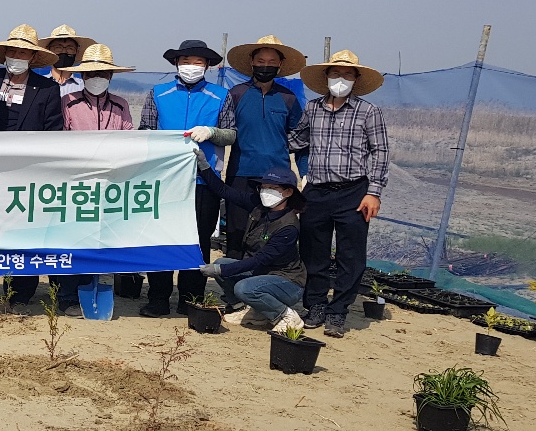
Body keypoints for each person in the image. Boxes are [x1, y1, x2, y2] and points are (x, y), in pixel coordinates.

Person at [289, 50, 389, 338]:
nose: (341, 79)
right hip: (317, 191)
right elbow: (297, 140)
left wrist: (374, 193)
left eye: (347, 74)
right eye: (335, 74)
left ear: (356, 79)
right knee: (313, 251)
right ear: (326, 77)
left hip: (353, 192)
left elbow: (380, 152)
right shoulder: (313, 108)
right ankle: (316, 304)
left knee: (351, 255)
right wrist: (267, 136)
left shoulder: (368, 112)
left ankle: (339, 310)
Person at [0, 25, 62, 314]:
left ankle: (19, 295)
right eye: (13, 51)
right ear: (5, 53)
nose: (18, 56)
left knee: (25, 233)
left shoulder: (47, 89)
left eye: (24, 52)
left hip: (27, 175)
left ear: (33, 57)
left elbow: (54, 132)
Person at [138, 39, 237, 317]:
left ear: (207, 65)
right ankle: (158, 297)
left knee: (198, 241)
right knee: (160, 238)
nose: (191, 66)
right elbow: (144, 130)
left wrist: (211, 132)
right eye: (186, 61)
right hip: (164, 182)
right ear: (176, 64)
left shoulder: (221, 95)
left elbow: (231, 133)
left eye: (198, 62)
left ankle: (191, 298)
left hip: (203, 181)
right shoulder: (158, 93)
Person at [55, 43, 137, 308]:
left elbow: (129, 141)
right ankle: (66, 293)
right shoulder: (68, 102)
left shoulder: (121, 104)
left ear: (111, 77)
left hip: (108, 183)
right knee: (71, 237)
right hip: (75, 183)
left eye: (102, 74)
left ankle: (90, 285)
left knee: (98, 238)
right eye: (91, 74)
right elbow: (59, 140)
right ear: (82, 76)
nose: (96, 79)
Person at [194, 151, 307, 334]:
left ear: (288, 192)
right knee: (222, 262)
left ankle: (286, 316)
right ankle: (247, 310)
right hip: (261, 273)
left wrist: (220, 271)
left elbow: (259, 260)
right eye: (263, 187)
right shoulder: (257, 205)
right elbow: (224, 191)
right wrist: (205, 167)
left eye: (272, 188)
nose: (265, 192)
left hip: (287, 281)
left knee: (243, 286)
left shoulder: (288, 227)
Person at [223, 36, 305, 261]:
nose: (265, 66)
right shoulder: (236, 94)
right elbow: (224, 132)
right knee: (236, 231)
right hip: (240, 173)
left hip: (277, 177)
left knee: (271, 232)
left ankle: (264, 281)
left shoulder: (288, 98)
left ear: (280, 64)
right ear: (251, 62)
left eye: (271, 61)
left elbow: (301, 139)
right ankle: (232, 288)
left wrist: (304, 173)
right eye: (260, 60)